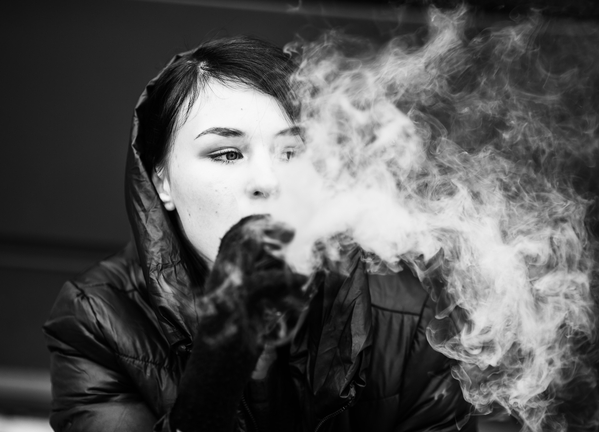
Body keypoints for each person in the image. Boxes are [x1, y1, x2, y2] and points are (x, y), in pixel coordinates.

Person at [43, 35, 476, 432]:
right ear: (162, 182)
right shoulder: (98, 319)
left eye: (292, 151)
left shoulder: (409, 317)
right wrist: (223, 352)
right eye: (227, 153)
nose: (267, 181)